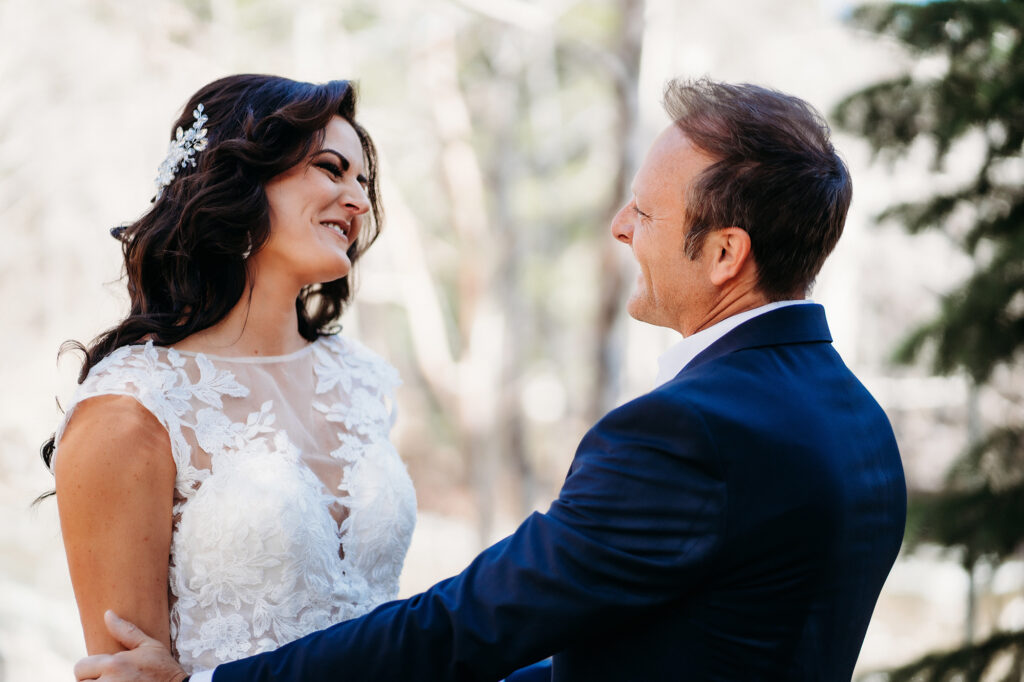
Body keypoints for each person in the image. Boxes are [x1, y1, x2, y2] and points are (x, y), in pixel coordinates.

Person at [74, 78, 907, 682]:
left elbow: (474, 622)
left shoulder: (689, 433)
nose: (620, 228)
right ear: (234, 179)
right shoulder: (857, 419)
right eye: (332, 170)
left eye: (644, 214)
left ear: (726, 254)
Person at [46, 74, 417, 676]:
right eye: (331, 168)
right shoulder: (133, 406)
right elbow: (127, 673)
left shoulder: (365, 382)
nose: (359, 201)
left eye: (363, 182)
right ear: (241, 178)